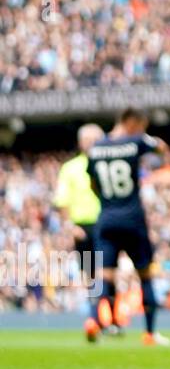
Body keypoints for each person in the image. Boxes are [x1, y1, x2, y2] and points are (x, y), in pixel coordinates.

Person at [86, 108, 170, 346]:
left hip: (106, 218)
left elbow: (93, 184)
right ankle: (150, 333)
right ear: (132, 122)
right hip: (133, 218)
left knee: (102, 275)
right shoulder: (136, 142)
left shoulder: (96, 148)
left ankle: (93, 320)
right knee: (145, 275)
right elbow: (162, 149)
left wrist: (107, 201)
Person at [54, 123, 106, 341]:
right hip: (83, 227)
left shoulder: (106, 163)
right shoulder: (71, 168)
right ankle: (96, 318)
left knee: (107, 272)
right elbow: (62, 201)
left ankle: (102, 317)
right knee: (91, 275)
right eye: (87, 139)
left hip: (106, 224)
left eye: (95, 138)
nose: (91, 143)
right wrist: (70, 226)